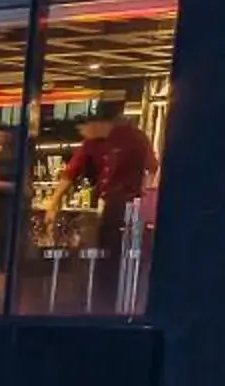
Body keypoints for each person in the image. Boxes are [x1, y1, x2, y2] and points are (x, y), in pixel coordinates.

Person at [61, 102, 157, 306]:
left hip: (128, 205)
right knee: (107, 256)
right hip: (114, 205)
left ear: (99, 123)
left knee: (116, 255)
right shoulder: (94, 143)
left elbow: (152, 168)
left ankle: (114, 300)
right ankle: (105, 299)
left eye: (84, 128)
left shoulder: (132, 138)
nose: (83, 133)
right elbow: (71, 172)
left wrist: (145, 195)